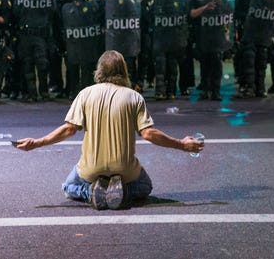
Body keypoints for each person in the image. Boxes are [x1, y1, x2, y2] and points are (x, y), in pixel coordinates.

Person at [14, 50, 204, 210]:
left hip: (91, 170)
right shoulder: (134, 97)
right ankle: (123, 191)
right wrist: (182, 145)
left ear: (99, 71)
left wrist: (37, 142)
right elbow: (149, 133)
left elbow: (69, 129)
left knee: (69, 187)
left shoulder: (85, 94)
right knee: (146, 186)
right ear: (124, 71)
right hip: (125, 170)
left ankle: (92, 191)